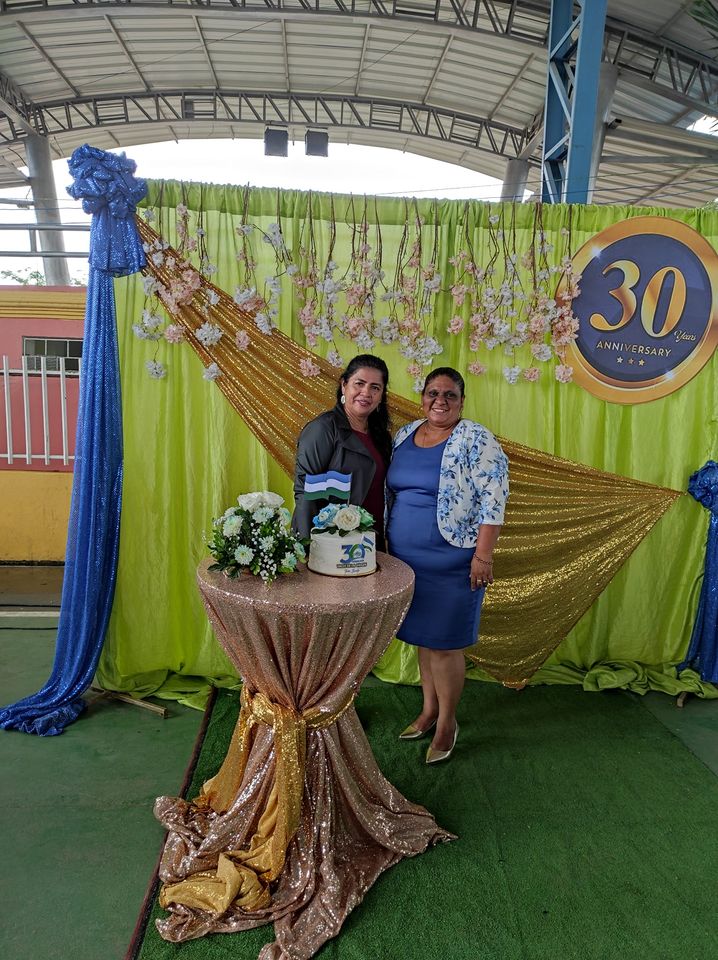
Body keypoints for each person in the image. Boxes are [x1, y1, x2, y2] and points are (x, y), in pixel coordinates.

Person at [386, 366, 509, 764]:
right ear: (422, 397)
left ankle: (447, 723)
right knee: (425, 640)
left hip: (453, 560)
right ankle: (428, 710)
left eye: (449, 395)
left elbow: (494, 499)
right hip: (407, 562)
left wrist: (483, 556)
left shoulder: (475, 437)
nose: (440, 401)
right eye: (432, 393)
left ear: (461, 401)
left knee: (445, 645)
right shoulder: (405, 434)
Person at [292, 355, 392, 549]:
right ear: (344, 385)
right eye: (359, 384)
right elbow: (306, 493)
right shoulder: (323, 429)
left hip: (371, 542)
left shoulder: (381, 436)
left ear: (381, 395)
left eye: (375, 387)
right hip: (333, 544)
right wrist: (305, 549)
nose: (366, 392)